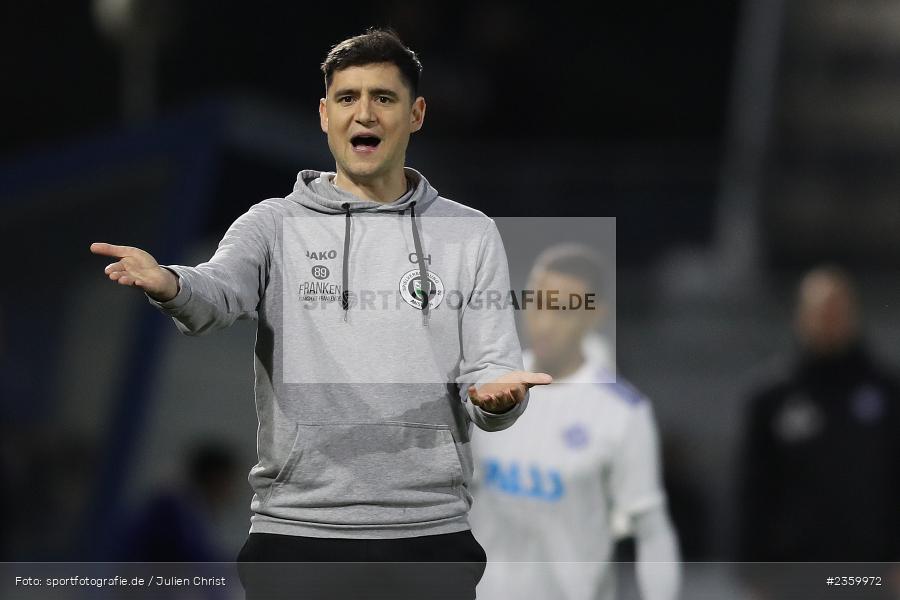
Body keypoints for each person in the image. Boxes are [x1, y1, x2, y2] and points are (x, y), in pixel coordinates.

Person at [90, 28, 551, 600]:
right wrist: (172, 284)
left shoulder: (470, 233)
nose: (365, 113)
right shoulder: (272, 223)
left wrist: (499, 402)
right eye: (347, 98)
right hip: (297, 536)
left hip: (430, 539)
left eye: (384, 98)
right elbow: (216, 294)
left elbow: (493, 374)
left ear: (417, 114)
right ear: (324, 114)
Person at [468, 243, 681, 600]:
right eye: (536, 303)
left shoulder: (622, 412)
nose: (545, 321)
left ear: (594, 313)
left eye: (563, 309)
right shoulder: (482, 390)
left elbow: (651, 530)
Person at [736, 266, 900, 596]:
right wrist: (752, 569)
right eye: (821, 310)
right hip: (794, 572)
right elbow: (754, 487)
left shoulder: (887, 391)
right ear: (802, 316)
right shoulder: (772, 397)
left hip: (868, 571)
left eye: (837, 309)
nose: (830, 319)